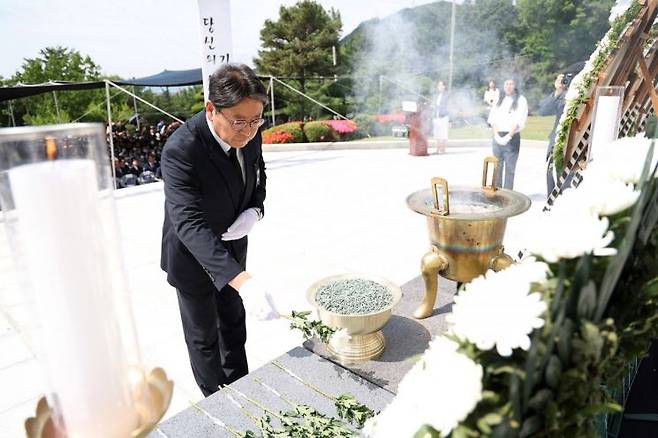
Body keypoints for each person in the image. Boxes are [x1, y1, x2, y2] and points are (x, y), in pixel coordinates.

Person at [160, 64, 276, 397]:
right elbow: (187, 222)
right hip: (193, 256)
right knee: (204, 339)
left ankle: (242, 388)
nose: (250, 132)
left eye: (257, 121)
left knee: (233, 325)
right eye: (240, 121)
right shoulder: (182, 148)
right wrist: (242, 281)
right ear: (212, 110)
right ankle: (217, 402)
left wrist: (256, 209)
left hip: (234, 245)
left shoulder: (249, 129)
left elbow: (258, 172)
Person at [487, 79, 528, 189]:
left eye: (511, 84)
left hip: (512, 137)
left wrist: (508, 136)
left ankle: (507, 195)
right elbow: (492, 119)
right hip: (497, 136)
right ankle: (497, 194)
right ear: (503, 86)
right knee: (497, 167)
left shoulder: (521, 100)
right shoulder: (498, 99)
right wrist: (496, 136)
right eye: (506, 84)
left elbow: (519, 121)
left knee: (510, 169)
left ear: (515, 86)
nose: (509, 86)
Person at [538, 73, 567, 197]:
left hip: (574, 143)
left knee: (567, 182)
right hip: (556, 142)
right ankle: (551, 206)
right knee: (551, 177)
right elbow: (543, 111)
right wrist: (558, 91)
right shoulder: (562, 95)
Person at [432, 80, 450, 154]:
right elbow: (434, 105)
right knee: (437, 134)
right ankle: (437, 149)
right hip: (436, 116)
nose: (439, 87)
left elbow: (448, 106)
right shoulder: (436, 95)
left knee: (443, 134)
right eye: (438, 85)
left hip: (444, 116)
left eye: (441, 85)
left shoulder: (447, 95)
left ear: (444, 86)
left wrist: (441, 107)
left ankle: (443, 149)